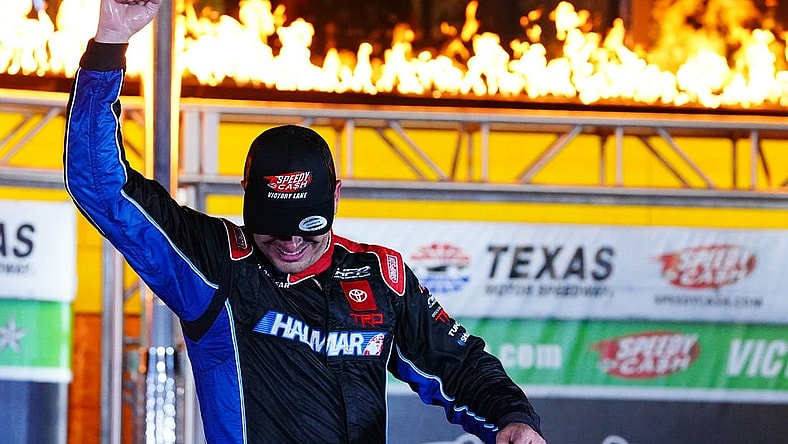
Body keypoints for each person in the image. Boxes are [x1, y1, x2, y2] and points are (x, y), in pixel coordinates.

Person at [63, 1, 547, 443]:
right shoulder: (215, 262)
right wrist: (110, 41)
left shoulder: (382, 276)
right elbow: (102, 186)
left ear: (335, 197)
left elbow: (458, 364)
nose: (291, 240)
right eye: (273, 225)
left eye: (307, 224)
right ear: (246, 199)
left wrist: (513, 419)